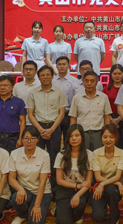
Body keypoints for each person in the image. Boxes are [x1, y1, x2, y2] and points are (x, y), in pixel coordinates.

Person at [27, 65, 69, 194]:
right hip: (37, 128)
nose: (45, 77)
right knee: (36, 158)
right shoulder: (33, 92)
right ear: (38, 77)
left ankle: (55, 190)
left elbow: (62, 113)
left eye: (48, 75)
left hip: (54, 128)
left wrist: (51, 129)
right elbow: (30, 114)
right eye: (42, 75)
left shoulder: (59, 92)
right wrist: (40, 130)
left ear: (52, 76)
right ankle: (36, 188)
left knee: (54, 158)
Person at [8, 127, 52, 224]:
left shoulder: (44, 155)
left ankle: (35, 205)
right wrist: (20, 189)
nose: (29, 141)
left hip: (42, 192)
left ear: (37, 139)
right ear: (22, 140)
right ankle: (22, 215)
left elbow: (42, 182)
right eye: (26, 138)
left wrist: (37, 206)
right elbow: (11, 178)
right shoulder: (14, 154)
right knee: (15, 198)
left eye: (32, 138)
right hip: (25, 190)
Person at [54, 124, 94, 224]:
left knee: (79, 205)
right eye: (71, 136)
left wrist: (77, 194)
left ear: (82, 137)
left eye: (77, 135)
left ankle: (76, 213)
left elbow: (88, 182)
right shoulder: (61, 155)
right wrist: (77, 186)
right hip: (65, 189)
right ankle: (61, 209)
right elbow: (59, 180)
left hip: (81, 190)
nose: (74, 138)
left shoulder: (89, 154)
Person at [90, 124, 123, 224]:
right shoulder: (96, 153)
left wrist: (105, 183)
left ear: (116, 138)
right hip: (99, 187)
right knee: (98, 217)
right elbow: (97, 177)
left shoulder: (122, 153)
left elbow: (118, 176)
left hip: (113, 190)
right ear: (101, 137)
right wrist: (118, 183)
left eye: (111, 137)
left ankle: (114, 217)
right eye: (105, 137)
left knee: (110, 189)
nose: (108, 140)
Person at [70, 70, 112, 151]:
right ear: (83, 82)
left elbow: (106, 117)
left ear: (97, 82)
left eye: (92, 81)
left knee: (98, 156)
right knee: (83, 156)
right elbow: (73, 118)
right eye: (86, 81)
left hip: (98, 133)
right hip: (82, 134)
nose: (89, 83)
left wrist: (106, 134)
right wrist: (73, 135)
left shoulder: (103, 97)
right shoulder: (77, 98)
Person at [0, 75, 27, 154]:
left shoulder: (19, 102)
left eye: (5, 85)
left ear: (12, 87)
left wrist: (20, 139)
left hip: (12, 139)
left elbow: (23, 122)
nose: (2, 88)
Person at [52, 56, 80, 139]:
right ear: (56, 66)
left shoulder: (74, 81)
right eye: (59, 64)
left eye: (64, 64)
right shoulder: (52, 81)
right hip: (54, 115)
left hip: (68, 115)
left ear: (68, 65)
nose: (62, 66)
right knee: (54, 140)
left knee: (68, 139)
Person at [103, 64, 123, 150]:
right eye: (114, 74)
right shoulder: (106, 89)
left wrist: (118, 119)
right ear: (111, 74)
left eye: (119, 73)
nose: (117, 76)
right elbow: (103, 106)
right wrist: (111, 119)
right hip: (109, 118)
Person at [12, 60, 40, 127]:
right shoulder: (17, 86)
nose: (28, 71)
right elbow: (13, 103)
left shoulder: (40, 85)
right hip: (20, 122)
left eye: (31, 69)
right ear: (23, 71)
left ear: (36, 72)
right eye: (26, 69)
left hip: (37, 122)